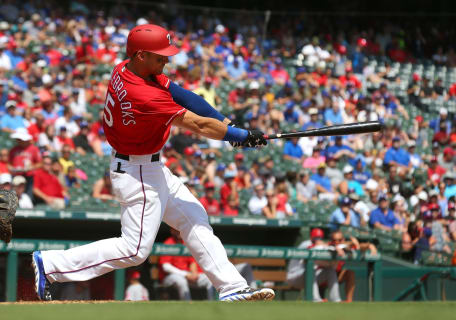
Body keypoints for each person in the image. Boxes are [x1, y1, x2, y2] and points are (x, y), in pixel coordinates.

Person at [32, 24, 273, 302]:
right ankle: (50, 264)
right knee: (135, 250)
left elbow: (185, 96)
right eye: (160, 56)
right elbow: (197, 124)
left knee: (194, 218)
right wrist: (238, 136)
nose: (166, 61)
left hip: (147, 166)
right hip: (138, 172)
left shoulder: (127, 67)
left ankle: (232, 287)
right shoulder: (143, 94)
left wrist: (229, 125)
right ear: (140, 55)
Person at [286, 228, 341, 302]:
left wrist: (330, 246)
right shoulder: (305, 244)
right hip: (294, 277)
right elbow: (307, 258)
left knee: (330, 271)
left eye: (319, 238)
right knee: (311, 270)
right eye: (316, 238)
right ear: (311, 237)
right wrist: (327, 246)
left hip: (308, 277)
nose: (317, 240)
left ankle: (336, 300)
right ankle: (316, 299)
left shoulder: (322, 244)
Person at [158, 228, 214, 300]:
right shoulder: (168, 243)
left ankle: (212, 304)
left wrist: (194, 273)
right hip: (170, 277)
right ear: (172, 231)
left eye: (180, 229)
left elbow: (192, 262)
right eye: (176, 230)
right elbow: (166, 267)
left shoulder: (186, 242)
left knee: (210, 279)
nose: (179, 231)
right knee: (181, 281)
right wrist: (185, 274)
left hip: (187, 275)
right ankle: (188, 305)